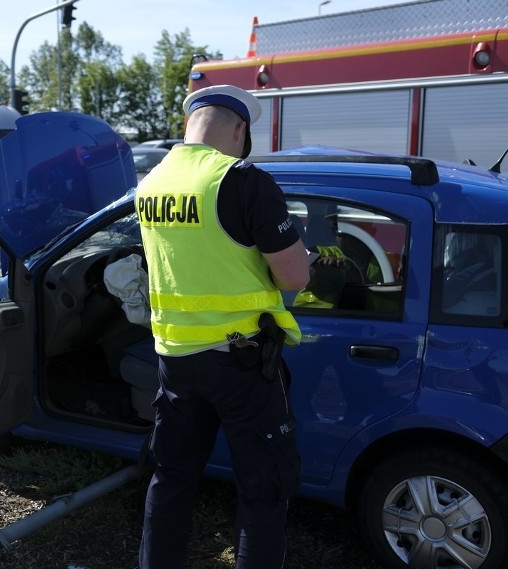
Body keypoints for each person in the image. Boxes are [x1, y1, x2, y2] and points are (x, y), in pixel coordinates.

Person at [135, 85, 311, 569]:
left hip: (174, 361)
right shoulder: (240, 179)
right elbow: (294, 276)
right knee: (263, 490)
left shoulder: (150, 183)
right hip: (242, 365)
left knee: (171, 480)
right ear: (239, 129)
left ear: (191, 124)